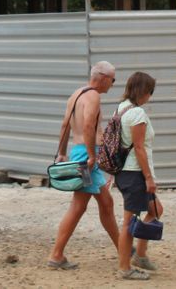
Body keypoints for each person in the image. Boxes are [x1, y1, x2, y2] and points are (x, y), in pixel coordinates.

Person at [47, 60, 121, 270]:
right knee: (80, 205)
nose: (112, 84)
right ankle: (56, 254)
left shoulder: (76, 94)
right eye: (112, 80)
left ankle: (124, 249)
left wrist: (62, 153)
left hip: (78, 153)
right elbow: (88, 125)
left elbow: (64, 125)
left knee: (104, 203)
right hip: (87, 157)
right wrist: (91, 156)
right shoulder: (93, 96)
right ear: (103, 77)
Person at [115, 71, 162, 280]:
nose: (150, 96)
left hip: (126, 172)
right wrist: (149, 178)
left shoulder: (122, 108)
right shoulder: (137, 114)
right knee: (128, 222)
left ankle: (140, 255)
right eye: (150, 92)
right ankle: (125, 268)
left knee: (155, 209)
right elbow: (139, 148)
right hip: (135, 174)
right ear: (143, 91)